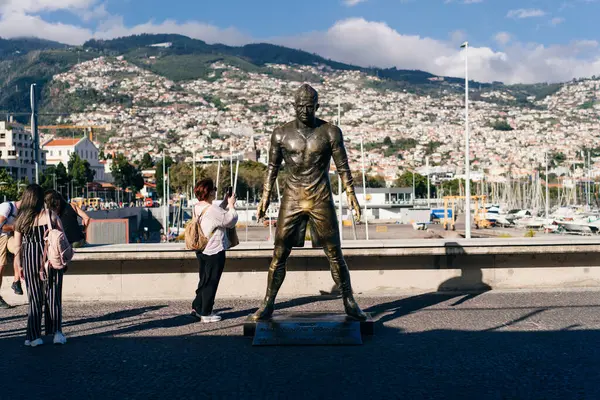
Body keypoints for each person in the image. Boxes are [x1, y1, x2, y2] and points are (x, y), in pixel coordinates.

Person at [252, 84, 367, 321]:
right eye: (300, 106)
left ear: (317, 106)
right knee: (279, 253)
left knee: (334, 252)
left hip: (320, 196)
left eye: (309, 106)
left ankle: (349, 301)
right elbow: (271, 170)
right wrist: (264, 198)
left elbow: (343, 168)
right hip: (292, 197)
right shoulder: (280, 134)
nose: (304, 110)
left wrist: (352, 196)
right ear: (293, 106)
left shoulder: (330, 132)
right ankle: (267, 303)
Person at [14, 184, 67, 347]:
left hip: (29, 258)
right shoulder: (50, 215)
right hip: (49, 258)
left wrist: (19, 267)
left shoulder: (21, 219)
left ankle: (33, 336)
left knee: (34, 297)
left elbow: (17, 248)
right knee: (53, 294)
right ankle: (56, 333)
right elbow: (62, 237)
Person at [191, 178, 237, 323]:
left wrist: (224, 203)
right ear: (210, 192)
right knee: (212, 281)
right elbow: (230, 220)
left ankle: (197, 307)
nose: (215, 191)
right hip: (214, 249)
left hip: (201, 249)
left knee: (204, 279)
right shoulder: (212, 209)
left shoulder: (198, 207)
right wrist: (231, 205)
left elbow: (217, 216)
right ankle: (206, 313)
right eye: (214, 189)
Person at [0, 198, 22, 308]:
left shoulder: (20, 212)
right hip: (1, 237)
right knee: (0, 266)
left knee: (19, 249)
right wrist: (15, 227)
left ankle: (16, 281)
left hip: (8, 237)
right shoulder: (7, 207)